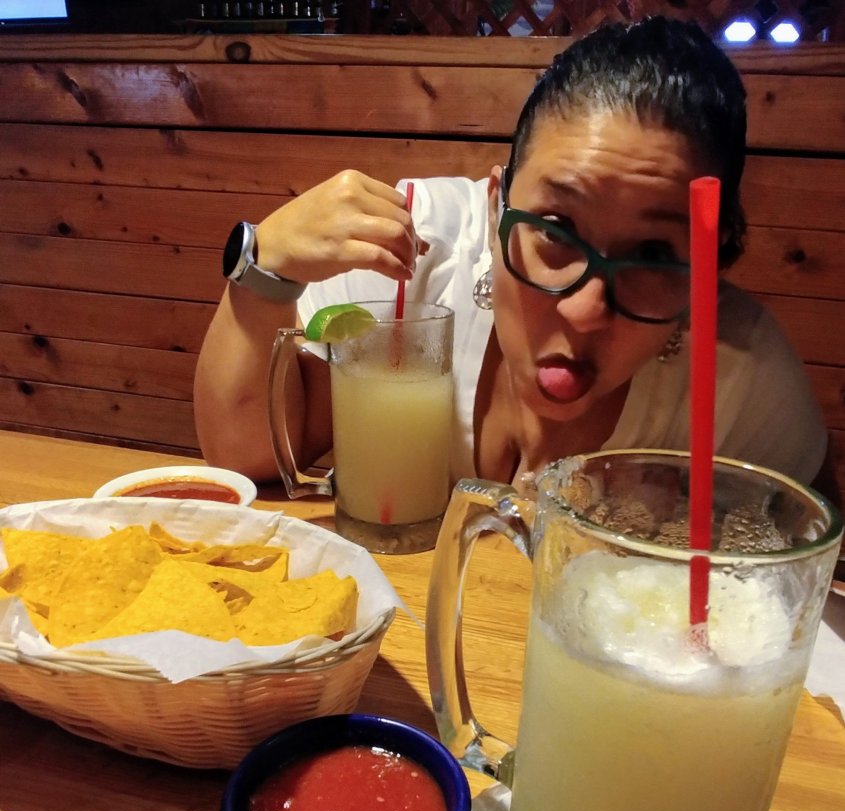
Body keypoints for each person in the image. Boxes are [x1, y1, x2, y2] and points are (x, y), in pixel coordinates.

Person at [194, 16, 830, 498]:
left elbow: (798, 579)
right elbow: (243, 457)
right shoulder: (404, 253)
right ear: (498, 204)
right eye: (555, 229)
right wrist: (264, 269)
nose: (583, 311)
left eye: (653, 253)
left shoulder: (742, 382)